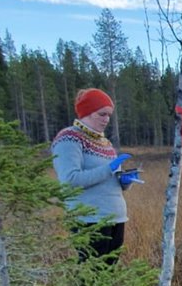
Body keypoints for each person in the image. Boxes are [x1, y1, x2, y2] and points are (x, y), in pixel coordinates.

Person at [50, 88, 142, 262]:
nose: (106, 119)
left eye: (109, 115)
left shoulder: (105, 143)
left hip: (115, 216)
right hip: (89, 219)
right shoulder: (68, 138)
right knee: (91, 276)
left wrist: (125, 181)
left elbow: (109, 177)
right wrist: (109, 168)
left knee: (107, 273)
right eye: (102, 114)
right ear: (87, 112)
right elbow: (70, 180)